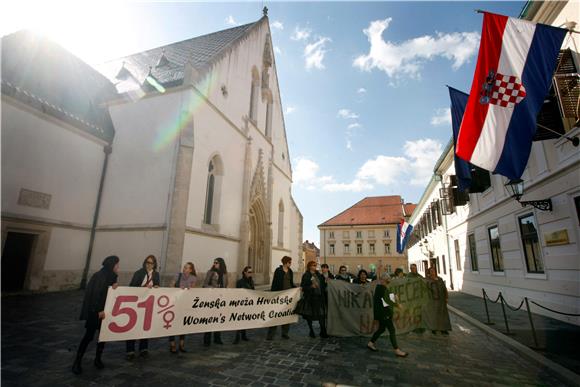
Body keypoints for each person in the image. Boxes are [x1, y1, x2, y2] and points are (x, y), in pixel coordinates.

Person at [72, 255, 120, 375]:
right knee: (88, 336)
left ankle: (98, 359)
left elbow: (109, 293)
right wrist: (98, 310)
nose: (118, 267)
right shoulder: (99, 276)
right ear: (111, 265)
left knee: (103, 336)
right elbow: (94, 295)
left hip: (105, 312)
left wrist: (114, 287)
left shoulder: (112, 276)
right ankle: (77, 361)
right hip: (96, 312)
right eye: (117, 264)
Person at [126, 255, 160, 360]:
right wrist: (143, 288)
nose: (149, 265)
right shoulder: (139, 273)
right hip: (137, 303)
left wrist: (156, 287)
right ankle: (130, 350)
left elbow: (158, 285)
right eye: (147, 262)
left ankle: (143, 348)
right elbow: (132, 287)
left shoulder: (156, 274)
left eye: (151, 263)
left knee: (145, 326)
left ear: (154, 264)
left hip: (149, 303)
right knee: (133, 326)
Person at [367, 272, 408, 357]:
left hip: (383, 313)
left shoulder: (381, 288)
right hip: (384, 314)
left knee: (381, 329)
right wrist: (397, 304)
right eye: (387, 279)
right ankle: (396, 350)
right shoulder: (381, 288)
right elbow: (386, 301)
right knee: (392, 330)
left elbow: (386, 297)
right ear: (383, 280)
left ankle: (370, 343)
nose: (388, 280)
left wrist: (393, 296)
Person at [169, 262, 197, 353]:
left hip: (185, 304)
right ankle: (172, 344)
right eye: (184, 267)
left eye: (187, 268)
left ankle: (181, 344)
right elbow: (171, 286)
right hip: (176, 302)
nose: (185, 269)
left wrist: (189, 290)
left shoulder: (193, 278)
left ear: (191, 270)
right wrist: (177, 289)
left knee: (182, 323)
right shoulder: (178, 275)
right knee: (173, 323)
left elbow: (193, 290)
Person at [266, 256, 295, 340]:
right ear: (285, 262)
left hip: (288, 297)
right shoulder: (278, 271)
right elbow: (274, 283)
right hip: (279, 296)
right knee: (275, 315)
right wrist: (273, 295)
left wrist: (296, 288)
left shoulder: (290, 271)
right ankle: (270, 335)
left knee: (287, 314)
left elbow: (291, 283)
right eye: (289, 262)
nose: (290, 264)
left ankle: (285, 333)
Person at [299, 261, 328, 338]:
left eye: (315, 265)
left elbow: (323, 285)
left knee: (321, 315)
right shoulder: (306, 275)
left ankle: (323, 331)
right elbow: (303, 287)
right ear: (309, 266)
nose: (315, 266)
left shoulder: (318, 274)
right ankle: (311, 331)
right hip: (310, 298)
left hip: (319, 298)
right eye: (313, 265)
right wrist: (311, 287)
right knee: (310, 316)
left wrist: (326, 282)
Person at [203, 257, 228, 346]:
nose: (215, 264)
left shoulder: (225, 274)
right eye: (214, 262)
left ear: (221, 264)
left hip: (220, 299)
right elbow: (205, 285)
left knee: (218, 319)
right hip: (211, 299)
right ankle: (207, 340)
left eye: (216, 262)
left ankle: (217, 338)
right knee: (209, 319)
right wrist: (213, 288)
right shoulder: (210, 272)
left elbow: (225, 286)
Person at [423, 267, 452, 335]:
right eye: (431, 271)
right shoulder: (427, 280)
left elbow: (444, 288)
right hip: (433, 301)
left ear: (435, 272)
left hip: (441, 300)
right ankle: (434, 328)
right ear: (429, 273)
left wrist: (446, 297)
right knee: (434, 315)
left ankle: (443, 329)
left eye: (433, 271)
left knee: (443, 315)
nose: (432, 272)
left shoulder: (440, 279)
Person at [234, 266, 255, 344]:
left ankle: (244, 335)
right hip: (241, 303)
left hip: (248, 303)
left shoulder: (251, 281)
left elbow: (253, 291)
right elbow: (237, 293)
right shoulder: (240, 282)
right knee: (239, 320)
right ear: (245, 272)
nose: (250, 274)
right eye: (249, 272)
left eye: (251, 272)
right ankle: (237, 337)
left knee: (245, 319)